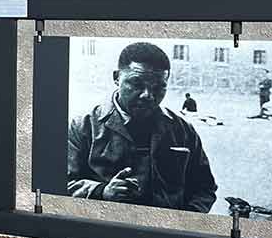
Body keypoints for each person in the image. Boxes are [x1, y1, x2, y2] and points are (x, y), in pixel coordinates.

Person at [67, 42, 217, 212]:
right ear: (117, 77)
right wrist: (102, 192)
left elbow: (204, 188)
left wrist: (186, 220)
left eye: (158, 87)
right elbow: (63, 183)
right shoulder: (83, 126)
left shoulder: (182, 130)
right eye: (137, 84)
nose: (148, 95)